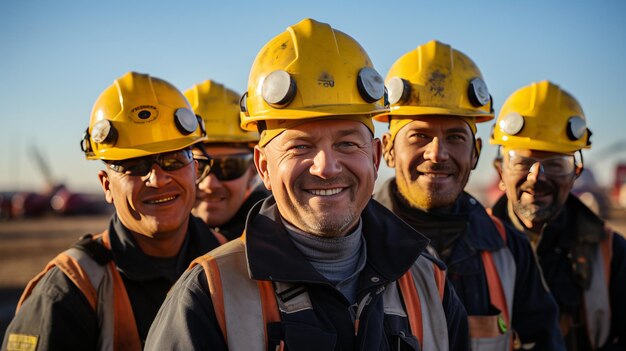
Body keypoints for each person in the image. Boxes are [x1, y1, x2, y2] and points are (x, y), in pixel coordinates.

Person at [145, 18, 469, 350]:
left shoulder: (431, 284)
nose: (326, 167)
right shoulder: (207, 295)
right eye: (300, 146)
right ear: (264, 168)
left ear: (374, 157)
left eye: (346, 144)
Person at [2, 72, 222, 350]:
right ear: (106, 185)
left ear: (195, 170)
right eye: (135, 165)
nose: (158, 179)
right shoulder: (68, 291)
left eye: (173, 159)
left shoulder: (236, 262)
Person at [372, 41, 565, 350]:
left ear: (475, 154)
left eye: (455, 137)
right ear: (389, 151)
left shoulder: (509, 250)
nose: (437, 154)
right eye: (419, 135)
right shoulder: (351, 246)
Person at [490, 80, 626, 350]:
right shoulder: (473, 246)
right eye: (523, 162)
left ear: (575, 174)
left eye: (555, 164)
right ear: (500, 171)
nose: (536, 177)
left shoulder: (613, 254)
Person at [184, 80, 269, 243]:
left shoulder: (276, 237)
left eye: (228, 167)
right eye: (197, 168)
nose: (209, 185)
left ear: (255, 168)